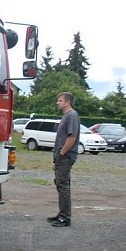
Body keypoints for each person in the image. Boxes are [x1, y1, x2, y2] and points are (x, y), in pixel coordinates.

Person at [48, 92, 80, 227]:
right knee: (61, 184)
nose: (57, 102)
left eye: (60, 100)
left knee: (63, 186)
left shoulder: (71, 115)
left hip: (65, 156)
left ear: (67, 102)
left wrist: (62, 153)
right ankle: (62, 214)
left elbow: (72, 137)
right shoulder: (66, 116)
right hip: (62, 156)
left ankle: (65, 218)